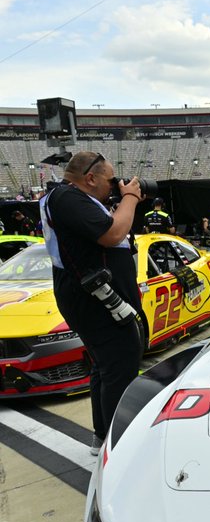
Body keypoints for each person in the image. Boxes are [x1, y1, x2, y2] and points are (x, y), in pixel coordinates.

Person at [40, 152, 143, 455]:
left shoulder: (67, 198)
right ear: (90, 178)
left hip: (92, 296)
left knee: (105, 366)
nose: (115, 185)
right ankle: (119, 447)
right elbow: (112, 234)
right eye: (111, 180)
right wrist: (130, 198)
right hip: (95, 299)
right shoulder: (67, 198)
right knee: (121, 365)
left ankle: (103, 437)